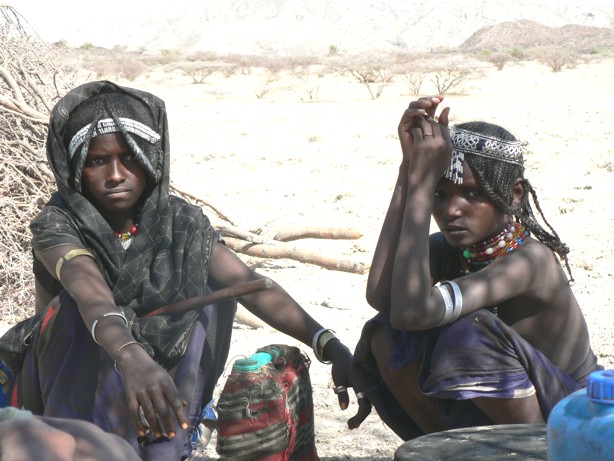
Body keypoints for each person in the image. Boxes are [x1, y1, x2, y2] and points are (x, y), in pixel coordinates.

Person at [0, 80, 354, 460]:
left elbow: (252, 285)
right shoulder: (57, 224)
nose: (116, 174)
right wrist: (131, 355)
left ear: (150, 157)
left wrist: (328, 343)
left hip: (161, 389)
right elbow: (90, 294)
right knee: (78, 311)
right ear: (75, 168)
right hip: (70, 393)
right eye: (97, 160)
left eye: (129, 157)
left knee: (205, 296)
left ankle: (172, 440)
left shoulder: (181, 223)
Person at [350, 95, 602, 440]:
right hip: (518, 406)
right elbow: (383, 299)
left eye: (471, 194)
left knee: (466, 335)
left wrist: (423, 184)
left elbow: (413, 313)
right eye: (440, 194)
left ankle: (530, 454)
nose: (451, 210)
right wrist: (408, 171)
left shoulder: (530, 261)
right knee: (386, 334)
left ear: (513, 195)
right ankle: (447, 449)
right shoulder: (453, 249)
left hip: (572, 414)